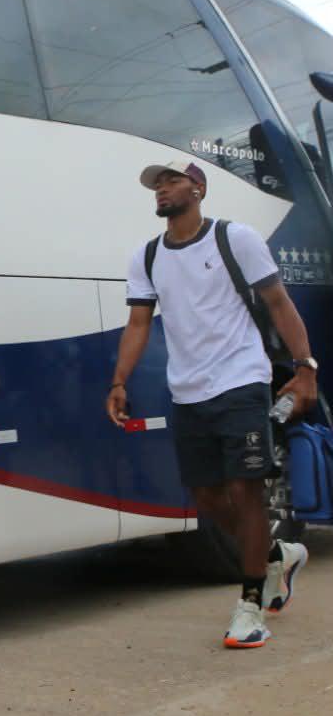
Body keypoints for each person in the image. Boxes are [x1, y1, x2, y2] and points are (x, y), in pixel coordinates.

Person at [107, 159, 319, 649]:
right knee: (206, 497)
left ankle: (250, 604)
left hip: (243, 380)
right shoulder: (146, 256)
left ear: (198, 189)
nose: (161, 190)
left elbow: (279, 303)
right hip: (188, 389)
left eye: (171, 181)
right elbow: (139, 324)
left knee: (247, 491)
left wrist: (305, 367)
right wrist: (118, 381)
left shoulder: (236, 238)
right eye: (156, 185)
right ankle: (276, 557)